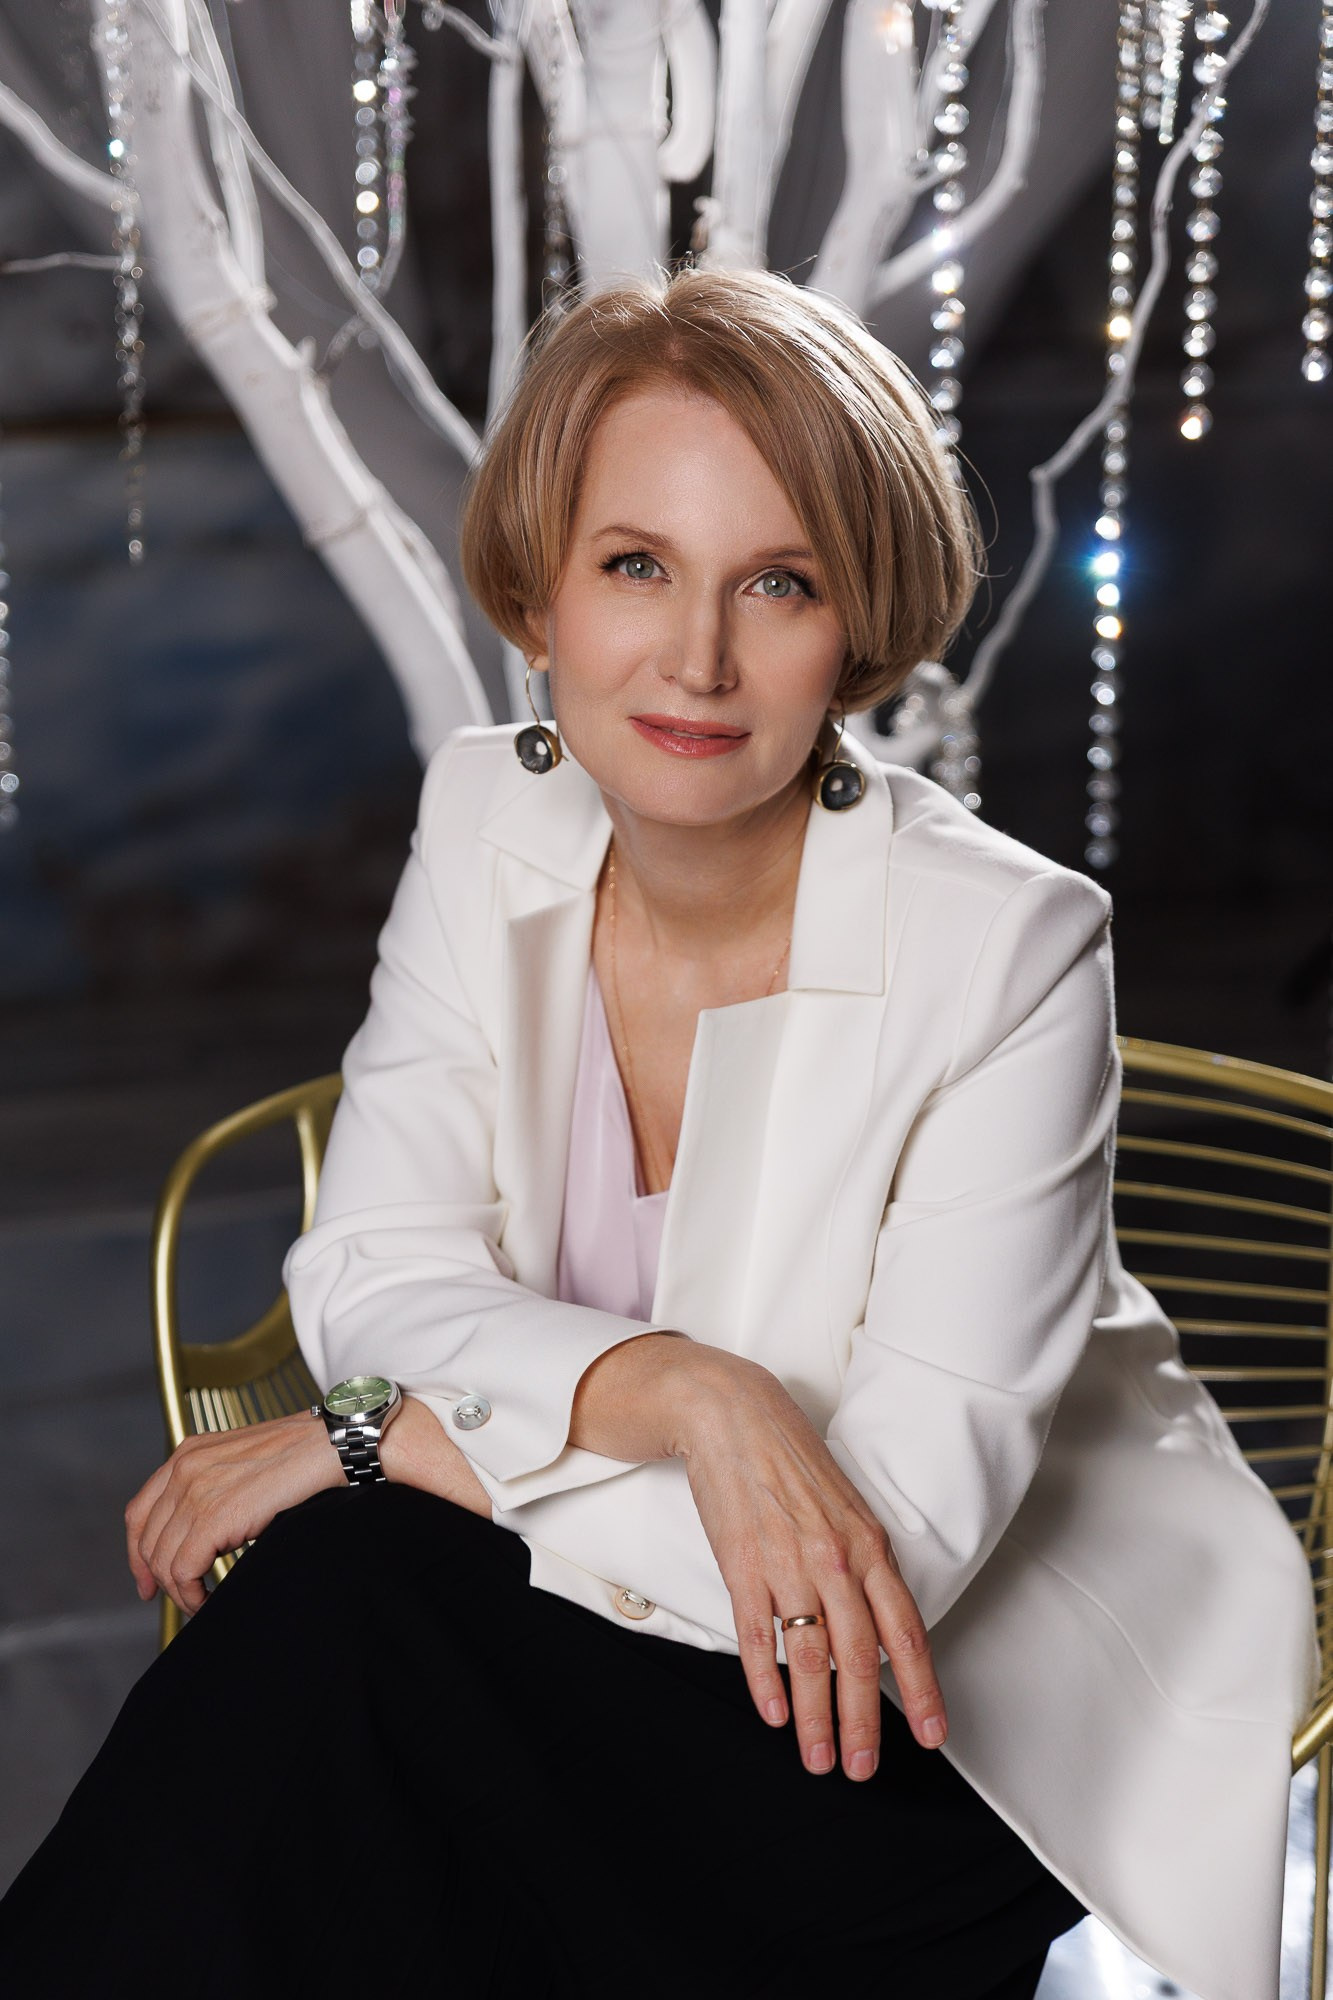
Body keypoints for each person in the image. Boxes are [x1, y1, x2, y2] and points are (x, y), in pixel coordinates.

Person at [0, 268, 1316, 2000]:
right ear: (537, 591)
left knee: (345, 1631)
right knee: (341, 1655)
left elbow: (884, 1549)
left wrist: (394, 1439)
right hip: (587, 1643)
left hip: (923, 1725)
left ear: (855, 627)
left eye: (777, 583)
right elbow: (371, 1269)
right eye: (636, 565)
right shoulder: (488, 812)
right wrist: (691, 1392)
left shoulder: (1009, 945)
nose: (697, 658)